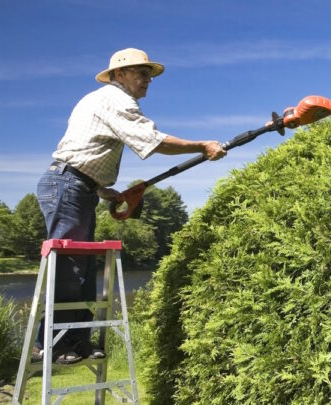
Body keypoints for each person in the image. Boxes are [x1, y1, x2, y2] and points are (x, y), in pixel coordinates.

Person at [34, 48, 226, 364]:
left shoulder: (99, 99)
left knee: (83, 268)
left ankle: (78, 341)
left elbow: (85, 150)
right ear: (119, 75)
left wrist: (103, 191)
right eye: (140, 72)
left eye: (149, 74)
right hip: (68, 185)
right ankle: (51, 344)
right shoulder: (116, 100)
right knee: (69, 266)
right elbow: (151, 141)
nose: (147, 79)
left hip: (78, 186)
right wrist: (202, 146)